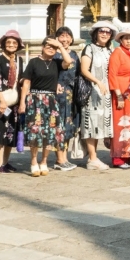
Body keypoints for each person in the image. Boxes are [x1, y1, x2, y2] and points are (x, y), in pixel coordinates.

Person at [20, 36, 66, 176]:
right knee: (35, 131)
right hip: (35, 100)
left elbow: (69, 61)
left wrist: (60, 46)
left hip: (51, 100)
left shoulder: (57, 63)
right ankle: (33, 161)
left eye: (54, 47)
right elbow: (26, 82)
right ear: (42, 46)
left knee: (50, 132)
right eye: (48, 46)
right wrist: (22, 102)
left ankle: (44, 161)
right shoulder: (34, 62)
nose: (51, 49)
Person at [79, 20, 114, 170]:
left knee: (101, 123)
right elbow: (84, 70)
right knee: (91, 123)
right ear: (95, 33)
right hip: (92, 92)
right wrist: (98, 82)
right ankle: (92, 158)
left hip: (106, 93)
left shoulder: (109, 50)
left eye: (107, 32)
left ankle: (95, 156)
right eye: (101, 31)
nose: (104, 34)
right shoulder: (89, 48)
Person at [109, 23, 130, 169]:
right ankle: (118, 157)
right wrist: (118, 95)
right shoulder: (117, 52)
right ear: (120, 40)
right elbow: (112, 75)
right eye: (126, 38)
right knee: (120, 123)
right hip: (121, 91)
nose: (129, 41)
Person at [0, 30, 24, 173]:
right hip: (2, 99)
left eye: (14, 43)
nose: (11, 45)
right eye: (9, 42)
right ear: (4, 44)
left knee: (11, 131)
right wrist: (2, 101)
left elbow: (21, 78)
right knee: (1, 131)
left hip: (15, 100)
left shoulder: (19, 60)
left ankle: (6, 161)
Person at [52, 26, 79, 171]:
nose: (65, 39)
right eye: (62, 36)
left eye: (68, 36)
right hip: (58, 94)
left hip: (71, 94)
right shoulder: (53, 54)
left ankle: (65, 157)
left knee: (69, 126)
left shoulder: (74, 54)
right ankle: (59, 159)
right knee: (59, 126)